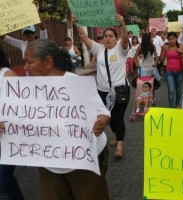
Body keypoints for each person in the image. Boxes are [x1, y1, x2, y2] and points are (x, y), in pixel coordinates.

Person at [23, 38, 111, 200]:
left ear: (48, 61)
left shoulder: (76, 83)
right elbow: (19, 117)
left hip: (84, 160)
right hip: (50, 164)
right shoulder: (26, 89)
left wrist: (102, 121)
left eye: (29, 62)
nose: (25, 67)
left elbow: (102, 111)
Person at [73, 14, 129, 158]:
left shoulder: (121, 49)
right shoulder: (98, 49)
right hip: (103, 91)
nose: (108, 38)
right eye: (106, 36)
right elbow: (83, 36)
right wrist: (77, 24)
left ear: (116, 38)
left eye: (111, 36)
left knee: (118, 117)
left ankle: (120, 145)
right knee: (107, 116)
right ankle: (116, 135)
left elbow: (125, 39)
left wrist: (122, 24)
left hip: (120, 90)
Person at [0, 46, 23, 200]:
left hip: (6, 140)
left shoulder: (7, 76)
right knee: (6, 183)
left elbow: (23, 109)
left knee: (2, 184)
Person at [160, 32, 183, 108]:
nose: (171, 40)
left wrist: (181, 51)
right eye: (169, 39)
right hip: (169, 72)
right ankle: (171, 108)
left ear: (176, 38)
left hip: (180, 72)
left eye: (173, 38)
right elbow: (161, 59)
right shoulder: (166, 47)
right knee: (171, 91)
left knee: (178, 89)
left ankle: (177, 105)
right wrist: (162, 50)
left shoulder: (181, 46)